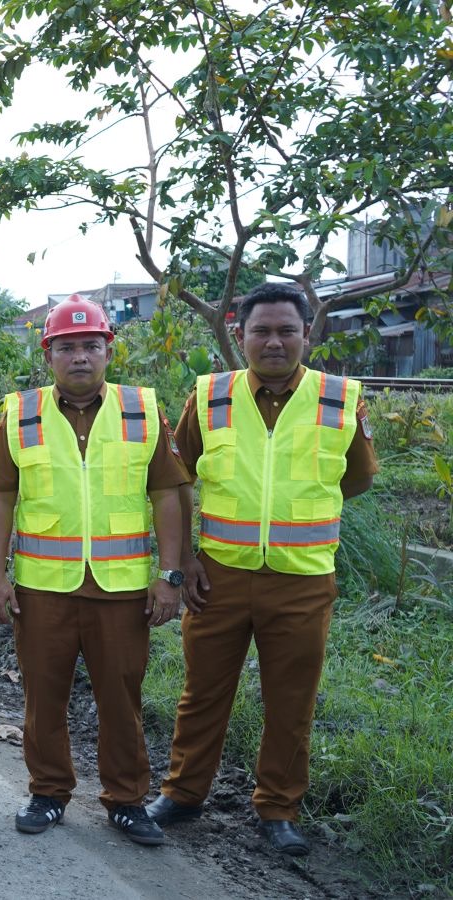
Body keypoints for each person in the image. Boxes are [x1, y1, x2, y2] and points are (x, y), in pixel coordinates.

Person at [146, 283, 377, 856]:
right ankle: (183, 794)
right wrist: (187, 558)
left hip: (302, 579)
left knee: (291, 700)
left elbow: (358, 477)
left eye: (286, 331)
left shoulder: (340, 399)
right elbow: (178, 479)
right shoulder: (211, 396)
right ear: (240, 335)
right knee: (202, 693)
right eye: (261, 331)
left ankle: (277, 809)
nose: (274, 342)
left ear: (307, 334)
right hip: (218, 577)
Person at [0, 296, 187, 846]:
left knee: (121, 696)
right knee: (43, 694)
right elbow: (1, 495)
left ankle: (126, 800)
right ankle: (48, 791)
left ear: (108, 351)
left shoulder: (143, 410)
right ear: (48, 354)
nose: (79, 357)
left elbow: (167, 493)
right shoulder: (19, 415)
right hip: (43, 586)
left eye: (90, 346)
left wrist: (171, 574)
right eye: (66, 347)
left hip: (121, 589)